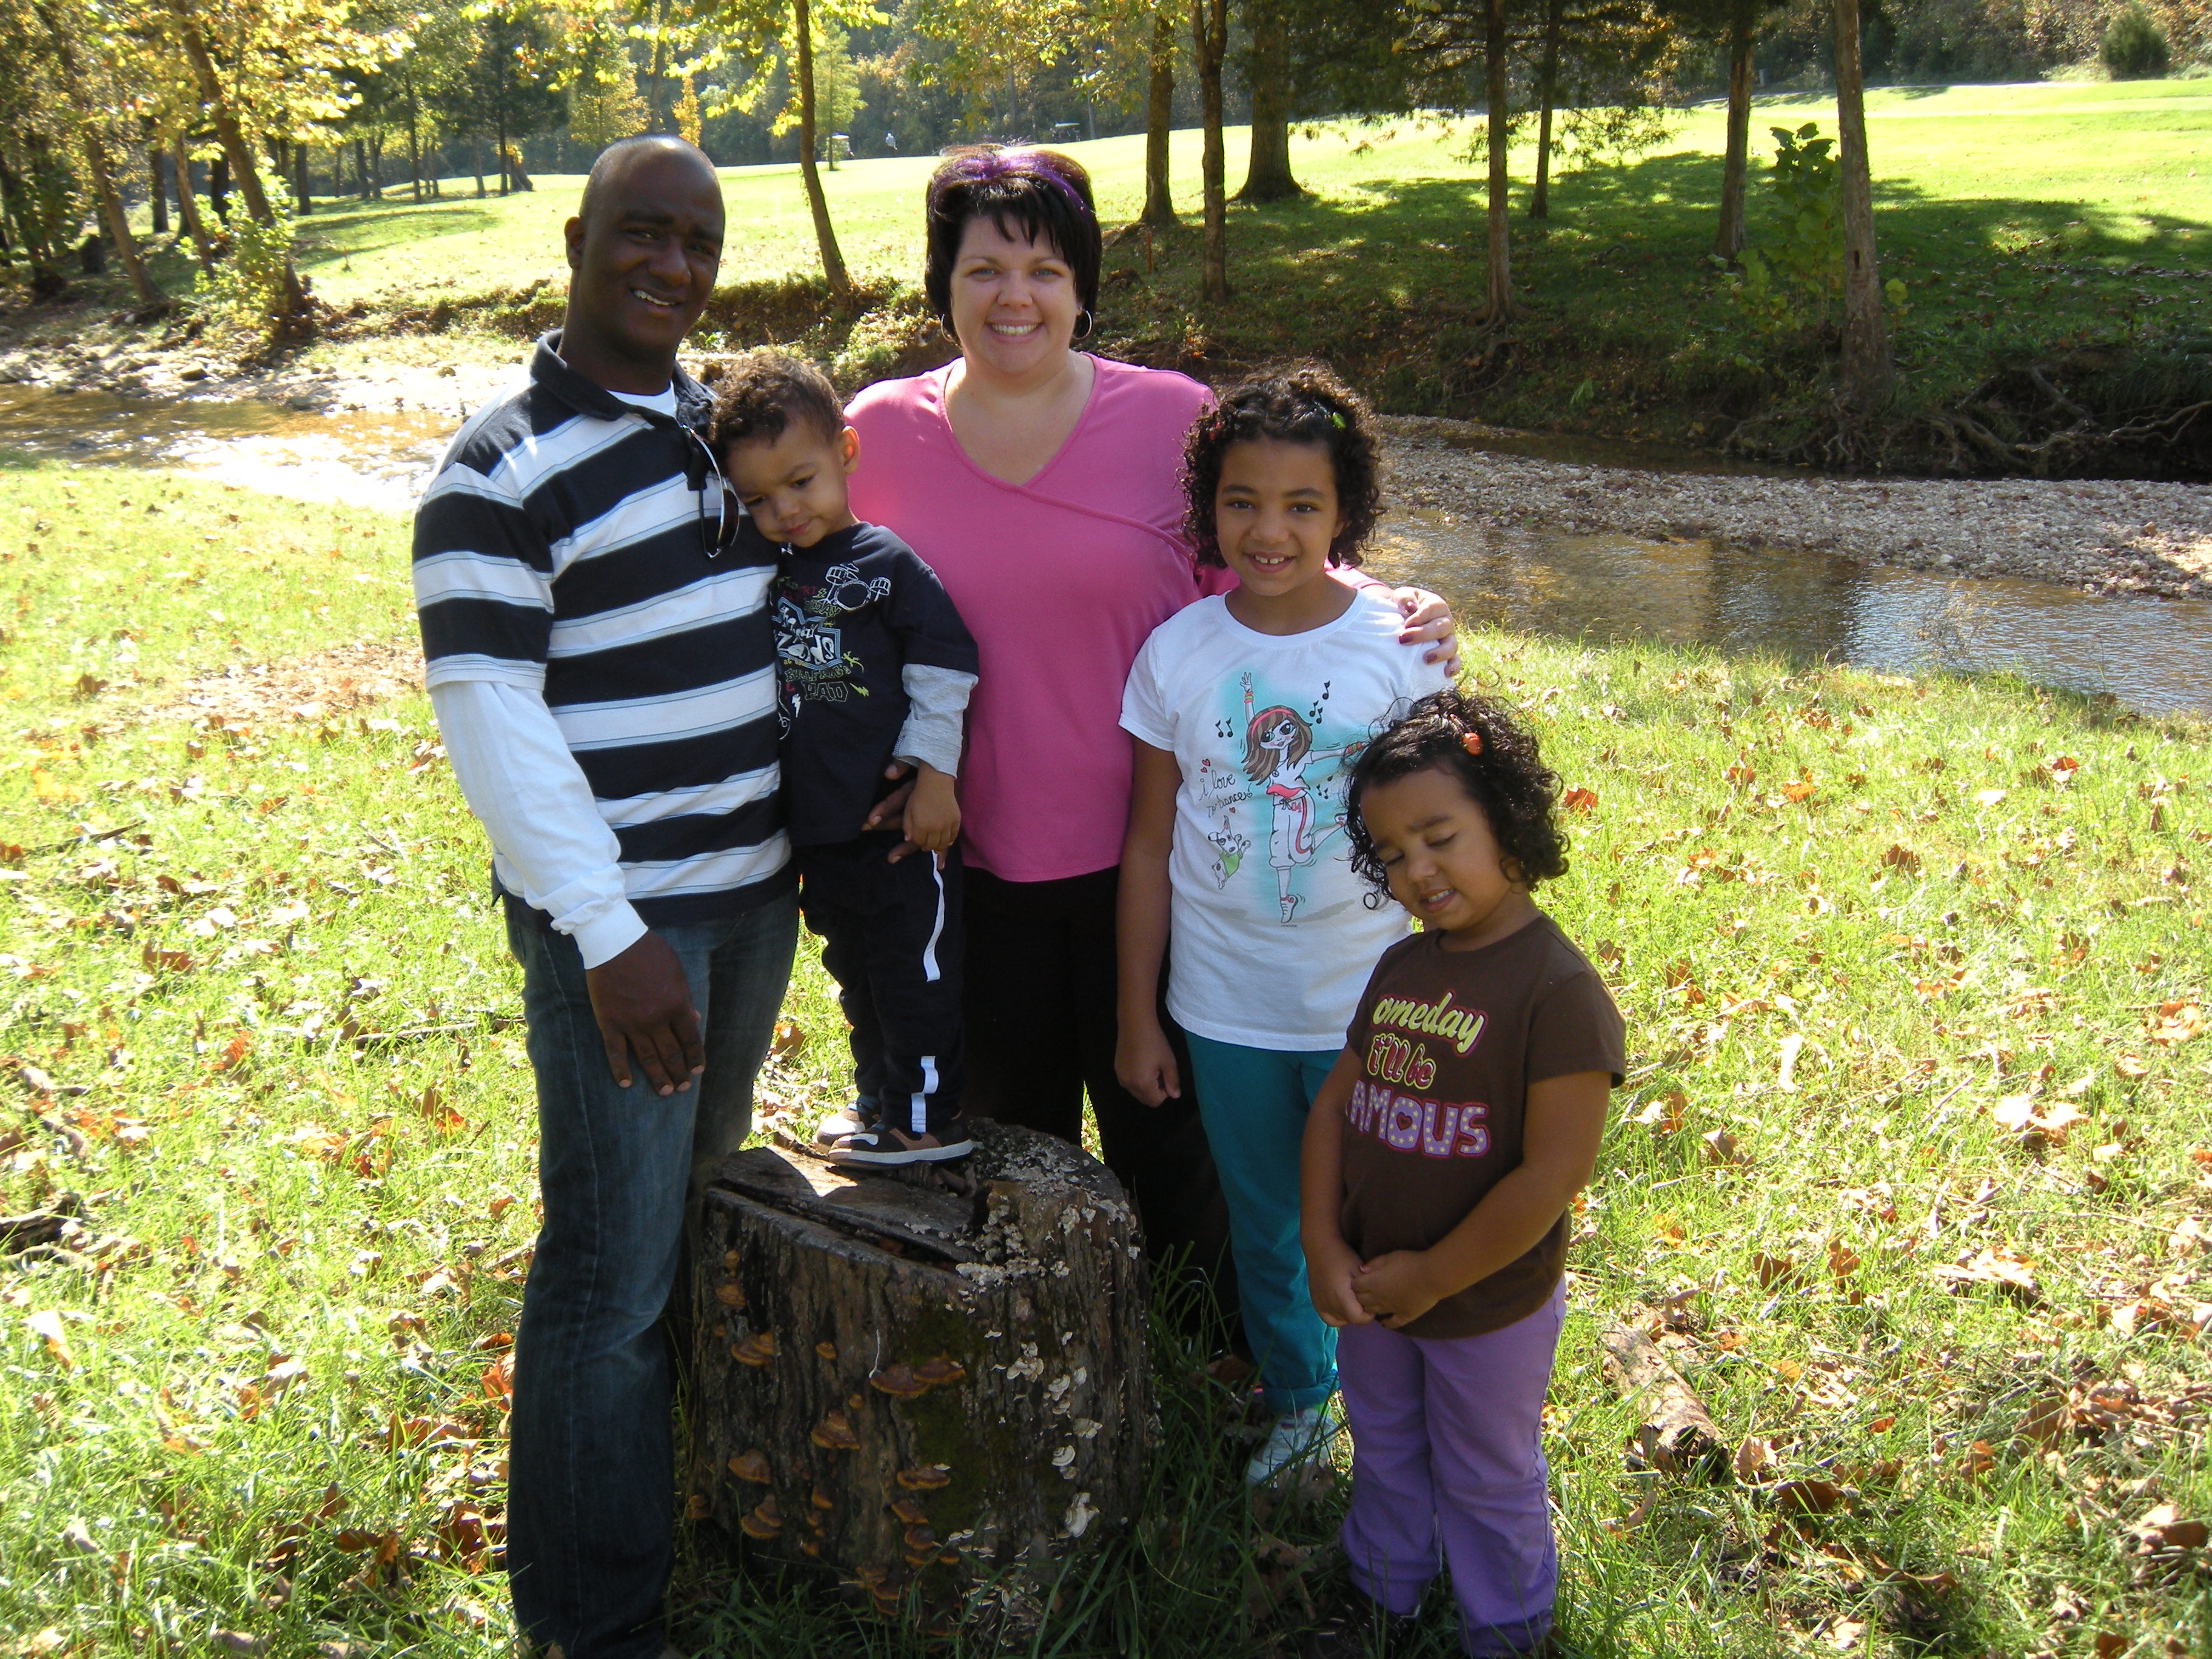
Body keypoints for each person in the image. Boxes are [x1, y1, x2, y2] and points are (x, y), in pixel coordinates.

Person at [842, 144, 1460, 1313]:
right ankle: (1044, 1345)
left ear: (1082, 285)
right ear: (942, 284)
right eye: (983, 270)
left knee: (1174, 1143)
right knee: (1013, 1143)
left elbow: (1271, 562)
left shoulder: (1172, 419)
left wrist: (1400, 610)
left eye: (1044, 269)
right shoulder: (878, 434)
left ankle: (1207, 1351)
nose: (1014, 297)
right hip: (965, 860)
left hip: (1168, 857)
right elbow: (810, 570)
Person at [412, 136, 796, 1659]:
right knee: (608, 1275)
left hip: (752, 905)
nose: (670, 267)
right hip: (632, 936)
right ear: (576, 241)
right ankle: (590, 1620)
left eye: (698, 244)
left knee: (689, 1216)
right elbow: (493, 725)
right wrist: (609, 931)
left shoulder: (724, 431)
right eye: (642, 233)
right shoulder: (496, 472)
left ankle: (678, 1497)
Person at [1114, 368, 1450, 1487]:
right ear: (1207, 509)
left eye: (1302, 505)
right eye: (1242, 502)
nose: (1270, 530)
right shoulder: (1177, 653)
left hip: (1374, 1003)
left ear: (1345, 510)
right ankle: (1303, 1404)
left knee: (1381, 1215)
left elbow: (1447, 838)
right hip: (1227, 1009)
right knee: (1265, 1221)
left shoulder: (1401, 645)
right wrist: (1138, 1017)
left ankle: (1400, 1409)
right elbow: (1148, 847)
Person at [1297, 689, 1624, 1658]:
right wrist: (1322, 1244)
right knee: (1385, 1444)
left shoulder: (1558, 992)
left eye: (1440, 838)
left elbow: (1550, 1177)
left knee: (1486, 1472)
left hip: (1486, 1305)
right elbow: (1335, 1109)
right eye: (1393, 854)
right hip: (1373, 1288)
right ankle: (1382, 1590)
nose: (1418, 870)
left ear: (1508, 825)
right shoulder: (1402, 969)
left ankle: (1509, 1630)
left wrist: (1437, 1276)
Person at [709, 350, 980, 1166]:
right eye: (759, 499)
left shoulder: (886, 564)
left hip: (897, 834)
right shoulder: (771, 571)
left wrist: (935, 779)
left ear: (846, 451)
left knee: (913, 977)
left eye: (801, 482)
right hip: (821, 834)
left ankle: (926, 1121)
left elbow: (945, 670)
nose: (785, 510)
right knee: (858, 980)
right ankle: (878, 1105)